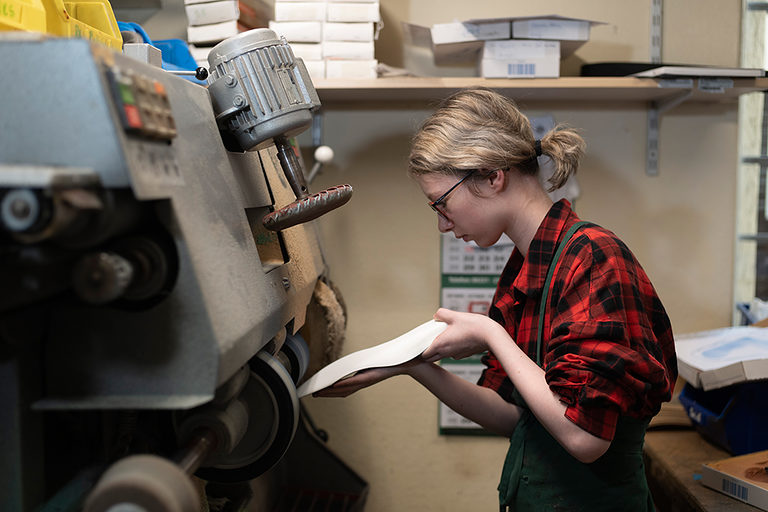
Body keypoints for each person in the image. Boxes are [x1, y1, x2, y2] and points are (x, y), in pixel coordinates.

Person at [316, 87, 678, 511]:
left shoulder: (593, 258)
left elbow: (585, 438)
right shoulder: (527, 268)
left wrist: (490, 334)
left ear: (491, 175)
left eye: (442, 203)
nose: (443, 225)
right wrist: (412, 365)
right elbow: (513, 415)